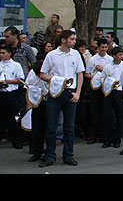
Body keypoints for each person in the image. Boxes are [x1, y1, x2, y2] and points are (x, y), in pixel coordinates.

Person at [39, 30, 85, 167]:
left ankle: (68, 155)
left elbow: (80, 74)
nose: (74, 42)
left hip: (70, 93)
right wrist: (56, 80)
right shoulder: (52, 55)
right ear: (63, 40)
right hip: (55, 92)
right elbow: (42, 74)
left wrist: (77, 93)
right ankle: (50, 155)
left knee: (69, 127)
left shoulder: (75, 54)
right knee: (51, 126)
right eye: (71, 39)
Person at [0, 44, 25, 149]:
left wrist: (7, 81)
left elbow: (20, 79)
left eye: (3, 53)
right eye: (0, 53)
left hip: (11, 94)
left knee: (13, 118)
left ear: (9, 54)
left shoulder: (16, 65)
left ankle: (16, 141)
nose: (1, 55)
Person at [84, 38, 112, 145]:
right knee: (94, 111)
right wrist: (95, 76)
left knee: (105, 112)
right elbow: (87, 74)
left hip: (106, 87)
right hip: (94, 88)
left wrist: (103, 69)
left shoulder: (109, 59)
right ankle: (93, 135)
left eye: (105, 47)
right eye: (102, 47)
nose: (104, 49)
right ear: (98, 48)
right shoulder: (92, 59)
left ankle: (104, 135)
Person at [101, 46, 123, 148]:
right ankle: (107, 139)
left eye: (122, 54)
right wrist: (110, 82)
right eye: (119, 54)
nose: (121, 56)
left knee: (119, 116)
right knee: (107, 115)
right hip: (110, 92)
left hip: (120, 92)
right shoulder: (108, 66)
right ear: (114, 56)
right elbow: (103, 78)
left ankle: (117, 139)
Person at [26, 59, 49, 162]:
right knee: (36, 128)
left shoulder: (48, 72)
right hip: (36, 102)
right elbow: (27, 88)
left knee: (48, 128)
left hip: (48, 101)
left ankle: (48, 152)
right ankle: (37, 151)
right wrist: (28, 103)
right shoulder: (31, 73)